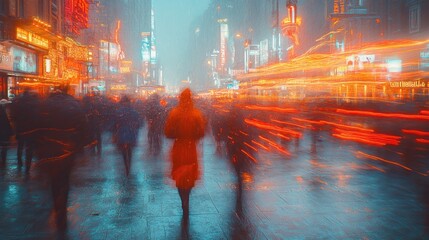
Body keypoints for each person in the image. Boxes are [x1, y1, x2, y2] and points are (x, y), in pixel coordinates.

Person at [34, 88, 86, 230]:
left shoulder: (44, 105)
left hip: (49, 150)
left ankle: (58, 208)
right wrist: (79, 146)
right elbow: (83, 127)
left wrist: (38, 149)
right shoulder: (73, 105)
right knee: (65, 179)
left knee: (54, 180)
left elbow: (36, 129)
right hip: (68, 149)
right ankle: (62, 208)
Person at [164, 88, 206, 220]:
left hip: (179, 147)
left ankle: (183, 200)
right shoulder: (196, 114)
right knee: (190, 175)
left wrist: (178, 133)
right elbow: (201, 132)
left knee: (179, 176)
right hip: (191, 148)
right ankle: (187, 197)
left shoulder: (174, 113)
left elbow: (168, 133)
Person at [113, 96, 141, 176]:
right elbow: (138, 123)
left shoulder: (119, 111)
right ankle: (129, 164)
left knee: (123, 150)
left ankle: (126, 164)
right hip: (131, 133)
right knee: (130, 150)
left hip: (122, 132)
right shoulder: (134, 111)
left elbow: (115, 122)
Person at [0, 100, 13, 165]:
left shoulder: (3, 112)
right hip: (4, 132)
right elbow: (6, 123)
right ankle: (3, 160)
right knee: (4, 147)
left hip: (3, 131)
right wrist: (10, 132)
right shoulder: (4, 113)